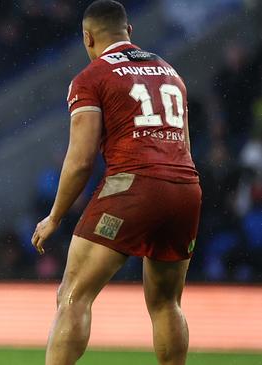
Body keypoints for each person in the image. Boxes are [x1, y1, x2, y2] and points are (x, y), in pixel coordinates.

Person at [31, 1, 201, 364]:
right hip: (185, 186)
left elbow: (80, 160)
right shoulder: (171, 72)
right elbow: (183, 145)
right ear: (130, 32)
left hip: (133, 184)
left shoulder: (91, 78)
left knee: (73, 295)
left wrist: (55, 217)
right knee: (166, 303)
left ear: (87, 37)